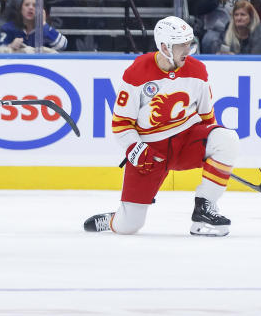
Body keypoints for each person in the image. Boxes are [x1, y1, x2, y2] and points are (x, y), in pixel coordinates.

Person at [84, 16, 241, 237]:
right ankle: (115, 219)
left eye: (189, 43)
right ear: (165, 46)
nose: (188, 50)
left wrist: (215, 157)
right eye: (181, 45)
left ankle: (204, 209)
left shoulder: (197, 71)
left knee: (227, 140)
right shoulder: (137, 73)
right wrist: (136, 150)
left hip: (186, 140)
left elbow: (207, 118)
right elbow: (121, 124)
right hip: (150, 150)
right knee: (129, 227)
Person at [0, 0, 67, 53]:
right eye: (27, 5)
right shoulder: (9, 28)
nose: (30, 8)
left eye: (35, 5)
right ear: (21, 9)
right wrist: (11, 46)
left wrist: (43, 25)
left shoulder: (47, 28)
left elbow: (62, 46)